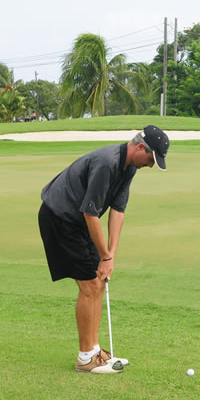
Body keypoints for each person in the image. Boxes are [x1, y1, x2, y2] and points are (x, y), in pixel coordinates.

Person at [38, 125, 169, 374]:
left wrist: (111, 255)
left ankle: (95, 351)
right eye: (151, 159)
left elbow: (118, 211)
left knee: (98, 280)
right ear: (141, 147)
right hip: (60, 217)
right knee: (89, 285)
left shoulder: (129, 167)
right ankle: (86, 358)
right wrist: (105, 256)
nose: (151, 165)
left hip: (78, 220)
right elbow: (90, 213)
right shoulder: (107, 163)